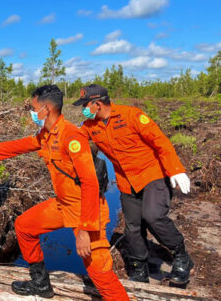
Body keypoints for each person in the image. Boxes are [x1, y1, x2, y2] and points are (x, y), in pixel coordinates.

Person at [0, 85, 128, 300]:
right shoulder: (46, 135)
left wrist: (85, 229)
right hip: (63, 204)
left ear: (46, 109)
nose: (32, 112)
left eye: (34, 108)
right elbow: (18, 146)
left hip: (85, 209)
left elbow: (91, 183)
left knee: (99, 271)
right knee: (24, 226)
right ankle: (40, 283)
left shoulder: (71, 136)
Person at [73, 84, 193, 285]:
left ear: (97, 104)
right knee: (132, 227)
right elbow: (73, 137)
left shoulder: (132, 116)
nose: (83, 109)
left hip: (152, 174)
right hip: (126, 182)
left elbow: (160, 141)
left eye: (85, 105)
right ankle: (139, 268)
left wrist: (176, 170)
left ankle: (181, 256)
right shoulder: (90, 126)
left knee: (153, 216)